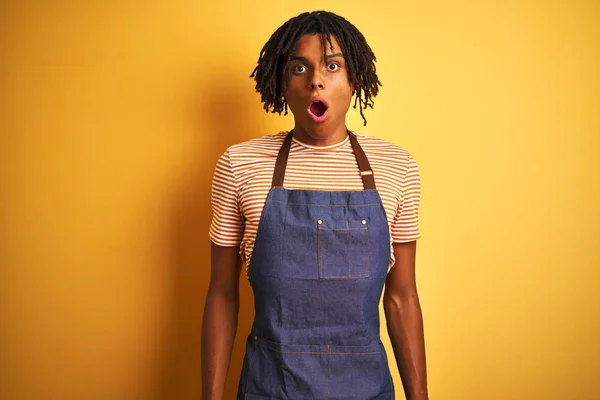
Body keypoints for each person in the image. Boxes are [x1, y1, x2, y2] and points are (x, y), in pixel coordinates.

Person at [202, 10, 428, 400]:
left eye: (332, 65)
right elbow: (222, 293)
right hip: (270, 388)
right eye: (298, 68)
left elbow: (402, 296)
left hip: (366, 389)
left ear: (354, 79)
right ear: (282, 84)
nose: (316, 80)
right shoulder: (240, 165)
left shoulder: (396, 167)